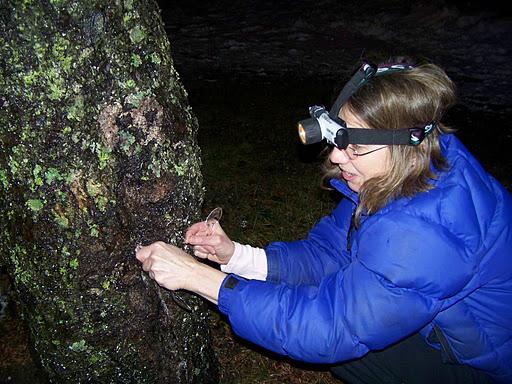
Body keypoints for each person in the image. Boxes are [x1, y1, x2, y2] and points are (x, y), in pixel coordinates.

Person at [135, 59, 512, 384]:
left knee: (350, 352)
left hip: (483, 368)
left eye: (355, 147)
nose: (335, 157)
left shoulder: (424, 232)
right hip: (450, 329)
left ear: (404, 144)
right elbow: (331, 252)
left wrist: (201, 279)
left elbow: (329, 328)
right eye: (336, 138)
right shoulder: (411, 167)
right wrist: (235, 257)